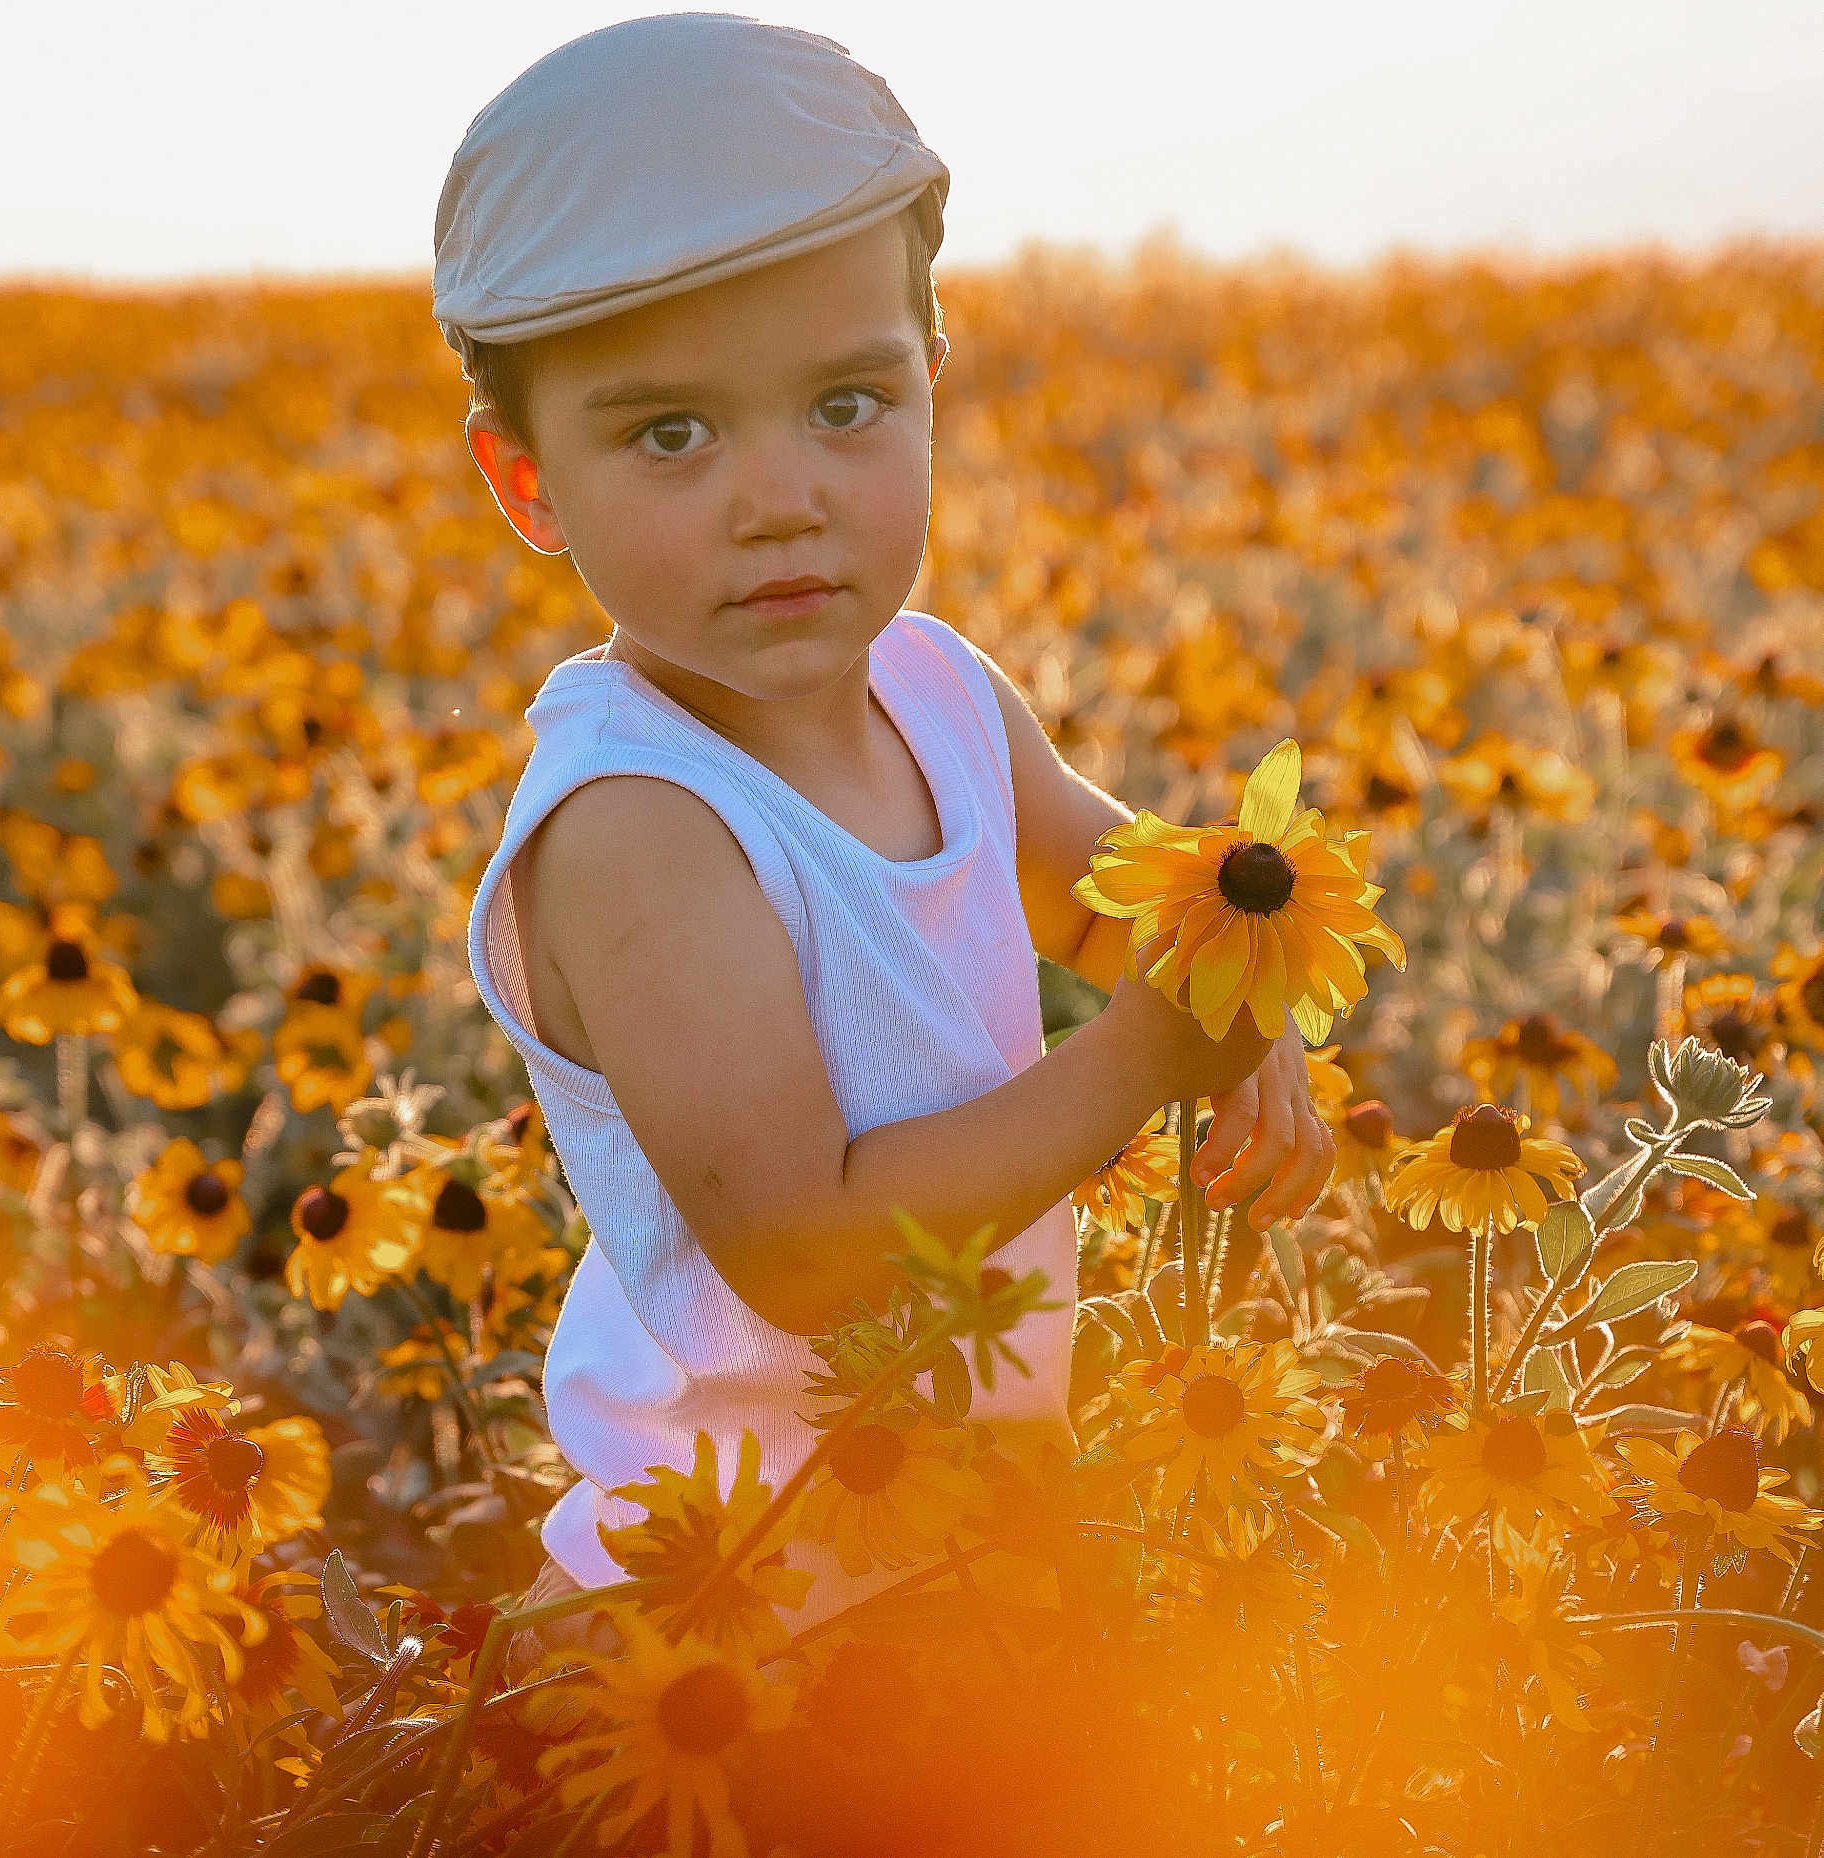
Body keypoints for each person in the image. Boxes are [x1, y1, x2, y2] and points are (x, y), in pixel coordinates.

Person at [438, 13, 1338, 1683]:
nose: (777, 496)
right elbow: (806, 1251)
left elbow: (1131, 904)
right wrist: (1150, 1054)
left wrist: (1242, 1011)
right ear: (525, 480)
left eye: (844, 403)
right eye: (671, 435)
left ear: (932, 382)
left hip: (963, 1533)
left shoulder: (940, 690)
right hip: (738, 1613)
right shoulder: (640, 824)